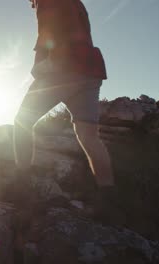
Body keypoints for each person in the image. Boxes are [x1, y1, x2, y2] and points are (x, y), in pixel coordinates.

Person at [15, 0, 114, 196]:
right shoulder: (76, 2)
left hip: (63, 68)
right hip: (90, 70)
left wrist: (42, 65)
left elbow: (46, 33)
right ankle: (109, 195)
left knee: (21, 122)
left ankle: (22, 186)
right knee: (89, 137)